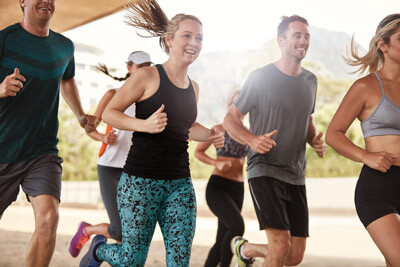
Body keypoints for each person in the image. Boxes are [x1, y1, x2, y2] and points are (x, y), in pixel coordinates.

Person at [79, 0, 224, 266]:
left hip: (179, 185)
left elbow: (188, 128)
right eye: (187, 36)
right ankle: (98, 251)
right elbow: (111, 112)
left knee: (179, 261)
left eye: (199, 38)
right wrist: (143, 124)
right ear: (169, 40)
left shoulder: (194, 88)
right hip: (139, 183)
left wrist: (212, 133)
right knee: (131, 259)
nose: (194, 42)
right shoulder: (147, 76)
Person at [0, 0, 98, 266]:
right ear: (23, 1)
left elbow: (66, 79)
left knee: (49, 218)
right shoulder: (5, 39)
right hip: (3, 150)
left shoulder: (64, 46)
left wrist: (80, 115)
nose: (46, 1)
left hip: (42, 151)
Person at [223, 15, 326, 267]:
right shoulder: (260, 77)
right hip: (264, 168)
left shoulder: (310, 81)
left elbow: (306, 120)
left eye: (306, 36)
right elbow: (231, 118)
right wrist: (252, 140)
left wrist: (315, 140)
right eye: (297, 35)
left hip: (296, 174)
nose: (303, 41)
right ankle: (245, 250)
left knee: (294, 255)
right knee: (280, 246)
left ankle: (244, 249)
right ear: (281, 41)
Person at [326, 13, 400, 267]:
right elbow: (333, 134)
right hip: (378, 186)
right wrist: (367, 156)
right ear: (383, 44)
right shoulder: (366, 86)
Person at [68, 51, 152, 257]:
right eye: (140, 66)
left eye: (148, 65)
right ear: (129, 68)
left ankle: (97, 247)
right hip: (109, 167)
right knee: (121, 230)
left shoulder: (149, 98)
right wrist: (102, 138)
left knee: (133, 230)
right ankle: (88, 234)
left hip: (135, 169)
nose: (145, 70)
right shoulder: (113, 94)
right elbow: (90, 128)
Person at [195, 90, 248, 267]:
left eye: (243, 103)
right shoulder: (218, 129)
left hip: (238, 189)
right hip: (218, 187)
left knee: (222, 237)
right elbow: (198, 152)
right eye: (236, 103)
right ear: (229, 105)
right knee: (237, 227)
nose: (240, 107)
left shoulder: (248, 134)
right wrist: (215, 163)